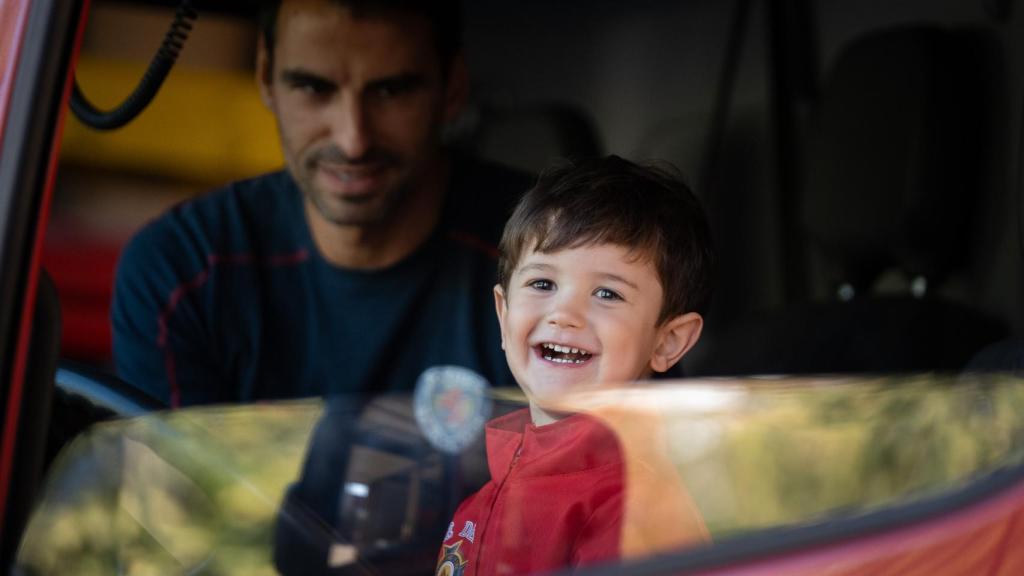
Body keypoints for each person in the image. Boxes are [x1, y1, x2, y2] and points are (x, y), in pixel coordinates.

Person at [111, 0, 531, 407]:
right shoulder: (182, 272)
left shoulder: (552, 262)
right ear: (265, 77)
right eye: (314, 87)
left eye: (390, 91)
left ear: (452, 88)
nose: (353, 141)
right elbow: (165, 477)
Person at [435, 155, 714, 575]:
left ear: (667, 341)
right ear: (503, 314)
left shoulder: (635, 511)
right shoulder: (483, 500)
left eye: (607, 294)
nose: (564, 313)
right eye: (542, 284)